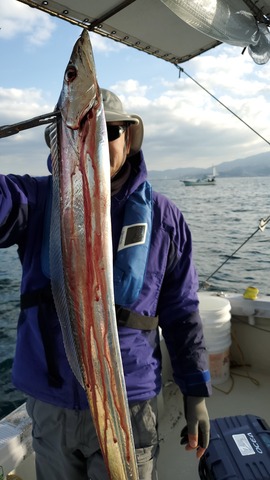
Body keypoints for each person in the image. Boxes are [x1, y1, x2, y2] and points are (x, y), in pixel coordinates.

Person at [0, 88, 211, 480]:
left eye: (109, 131)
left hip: (130, 404)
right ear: (60, 142)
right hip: (52, 403)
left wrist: (195, 391)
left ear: (128, 139)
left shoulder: (164, 218)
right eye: (79, 133)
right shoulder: (34, 200)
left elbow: (182, 312)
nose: (93, 142)